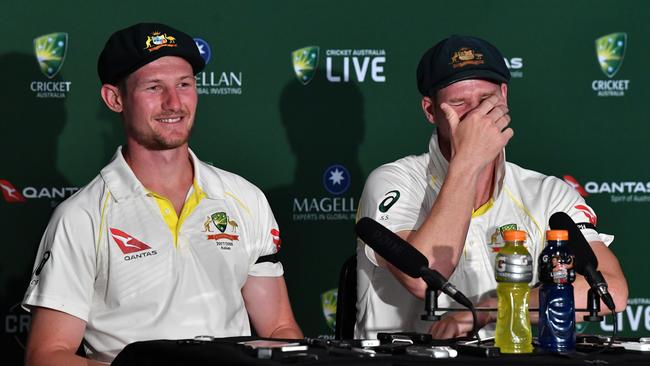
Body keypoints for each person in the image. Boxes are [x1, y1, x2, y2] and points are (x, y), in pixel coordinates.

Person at [22, 22, 302, 365]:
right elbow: (47, 355)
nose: (174, 102)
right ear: (115, 98)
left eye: (184, 84)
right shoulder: (81, 216)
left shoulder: (245, 198)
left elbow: (278, 328)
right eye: (154, 87)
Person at [355, 35, 628, 339]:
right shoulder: (393, 181)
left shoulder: (548, 193)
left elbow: (610, 292)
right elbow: (424, 279)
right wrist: (467, 161)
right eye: (459, 104)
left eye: (486, 101)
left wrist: (492, 308)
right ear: (431, 111)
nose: (476, 117)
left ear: (505, 95)